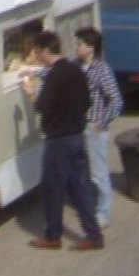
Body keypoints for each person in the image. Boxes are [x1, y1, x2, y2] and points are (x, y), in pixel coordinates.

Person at [21, 30, 104, 251]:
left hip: (58, 141)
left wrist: (30, 93)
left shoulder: (55, 75)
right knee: (80, 189)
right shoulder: (75, 69)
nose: (37, 57)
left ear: (47, 51)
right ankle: (94, 235)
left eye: (38, 52)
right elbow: (87, 101)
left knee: (53, 189)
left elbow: (44, 108)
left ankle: (53, 236)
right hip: (78, 137)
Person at [74, 27, 123, 229]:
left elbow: (116, 101)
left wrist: (101, 124)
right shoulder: (76, 67)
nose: (76, 48)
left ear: (91, 48)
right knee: (83, 171)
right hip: (78, 127)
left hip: (94, 129)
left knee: (98, 173)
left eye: (80, 45)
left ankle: (103, 212)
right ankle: (89, 204)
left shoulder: (102, 70)